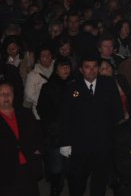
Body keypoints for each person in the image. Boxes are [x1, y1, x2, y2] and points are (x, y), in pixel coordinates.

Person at [60, 52, 124, 196]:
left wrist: (113, 140)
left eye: (95, 67)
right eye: (87, 67)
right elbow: (65, 117)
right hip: (79, 145)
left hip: (102, 144)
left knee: (99, 182)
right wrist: (65, 142)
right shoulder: (72, 87)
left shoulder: (108, 84)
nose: (91, 70)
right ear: (81, 69)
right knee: (77, 182)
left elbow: (117, 113)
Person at [0, 80, 44, 196]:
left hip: (28, 165)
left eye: (9, 93)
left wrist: (38, 150)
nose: (6, 97)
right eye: (2, 94)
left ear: (14, 96)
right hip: (6, 169)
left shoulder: (25, 114)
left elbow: (39, 134)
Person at [37, 57, 73, 196]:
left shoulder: (75, 85)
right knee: (56, 166)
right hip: (55, 134)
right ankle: (55, 188)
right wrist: (54, 125)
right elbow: (42, 109)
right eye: (62, 67)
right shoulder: (48, 87)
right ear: (56, 69)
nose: (66, 69)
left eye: (68, 66)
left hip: (72, 133)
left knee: (71, 167)